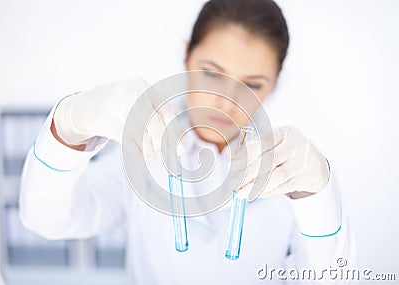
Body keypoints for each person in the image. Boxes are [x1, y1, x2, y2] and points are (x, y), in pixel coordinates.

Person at [19, 0, 356, 284]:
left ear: (276, 82)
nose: (227, 101)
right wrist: (69, 123)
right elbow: (47, 217)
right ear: (186, 56)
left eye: (253, 84)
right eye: (211, 72)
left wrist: (316, 192)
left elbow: (333, 277)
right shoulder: (142, 157)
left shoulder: (293, 171)